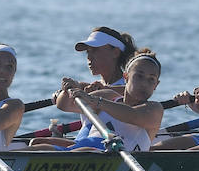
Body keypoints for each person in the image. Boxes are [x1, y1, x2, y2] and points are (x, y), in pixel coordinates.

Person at [31, 49, 164, 152]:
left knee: (86, 150)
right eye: (139, 76)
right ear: (126, 77)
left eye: (151, 79)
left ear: (157, 85)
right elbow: (64, 106)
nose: (144, 83)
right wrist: (68, 90)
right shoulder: (108, 95)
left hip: (107, 159)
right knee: (37, 145)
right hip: (83, 152)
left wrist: (95, 101)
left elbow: (132, 115)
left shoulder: (154, 109)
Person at [72, 26, 137, 90]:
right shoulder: (96, 86)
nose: (89, 57)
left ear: (116, 52)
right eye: (88, 52)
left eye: (95, 50)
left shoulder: (130, 88)